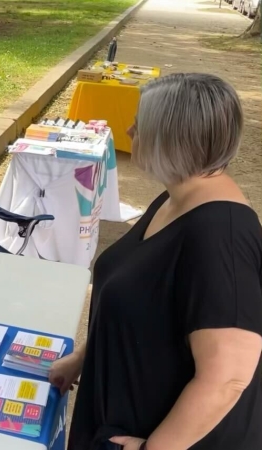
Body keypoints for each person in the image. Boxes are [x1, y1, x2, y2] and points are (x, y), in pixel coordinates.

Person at [50, 73, 262, 450]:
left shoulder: (221, 236)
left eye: (141, 123)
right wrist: (82, 358)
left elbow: (228, 376)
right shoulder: (177, 197)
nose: (130, 130)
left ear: (174, 138)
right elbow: (138, 301)